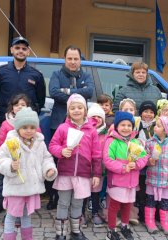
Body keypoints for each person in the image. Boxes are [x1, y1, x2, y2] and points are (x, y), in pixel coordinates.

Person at [0, 107, 58, 240]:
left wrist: (49, 169)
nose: (29, 131)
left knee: (26, 215)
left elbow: (46, 158)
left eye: (32, 127)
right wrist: (10, 166)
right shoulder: (11, 142)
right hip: (16, 187)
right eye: (25, 127)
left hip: (31, 187)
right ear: (18, 128)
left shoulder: (39, 143)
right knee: (11, 215)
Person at [48, 45, 95, 210]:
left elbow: (89, 92)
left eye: (76, 59)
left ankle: (78, 197)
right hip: (60, 124)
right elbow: (53, 92)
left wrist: (67, 91)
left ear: (80, 60)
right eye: (70, 58)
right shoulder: (56, 74)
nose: (73, 62)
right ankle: (54, 197)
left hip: (81, 125)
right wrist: (77, 92)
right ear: (65, 59)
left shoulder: (87, 75)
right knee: (58, 160)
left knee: (79, 158)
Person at [49, 94, 101, 240]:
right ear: (68, 111)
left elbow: (96, 154)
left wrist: (96, 174)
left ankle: (76, 231)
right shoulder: (63, 128)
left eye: (80, 107)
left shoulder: (91, 130)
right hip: (65, 172)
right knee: (63, 202)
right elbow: (53, 145)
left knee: (78, 203)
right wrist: (61, 151)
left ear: (85, 111)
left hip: (83, 174)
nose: (76, 110)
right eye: (73, 108)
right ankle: (60, 233)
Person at [103, 111, 149, 240]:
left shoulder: (136, 142)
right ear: (117, 126)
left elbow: (144, 156)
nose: (126, 128)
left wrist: (137, 165)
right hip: (117, 181)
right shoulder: (112, 141)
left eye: (129, 125)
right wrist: (124, 167)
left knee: (127, 205)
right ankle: (111, 230)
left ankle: (124, 226)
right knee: (114, 205)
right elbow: (108, 160)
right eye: (122, 125)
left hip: (131, 182)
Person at [0, 36, 46, 128]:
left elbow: (40, 100)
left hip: (27, 123)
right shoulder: (0, 72)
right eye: (17, 48)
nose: (20, 51)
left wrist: (32, 112)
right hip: (5, 121)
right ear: (11, 50)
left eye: (24, 49)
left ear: (28, 52)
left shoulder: (37, 75)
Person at [83, 104, 107, 227]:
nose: (96, 119)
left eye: (99, 116)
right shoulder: (84, 131)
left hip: (99, 169)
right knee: (82, 193)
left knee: (96, 192)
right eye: (93, 116)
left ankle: (95, 213)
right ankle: (81, 214)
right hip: (85, 169)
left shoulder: (106, 134)